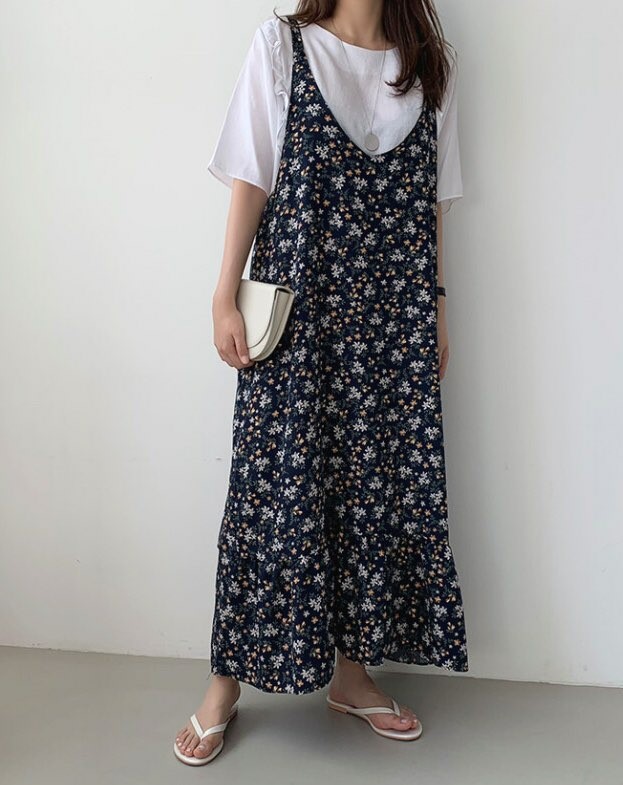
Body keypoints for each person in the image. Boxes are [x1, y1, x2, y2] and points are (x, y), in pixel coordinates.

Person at [174, 0, 468, 765]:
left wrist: (436, 306)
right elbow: (251, 175)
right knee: (271, 492)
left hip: (391, 323)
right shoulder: (282, 46)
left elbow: (432, 205)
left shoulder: (428, 68)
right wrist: (223, 292)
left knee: (374, 492)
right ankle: (223, 683)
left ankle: (352, 675)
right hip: (298, 318)